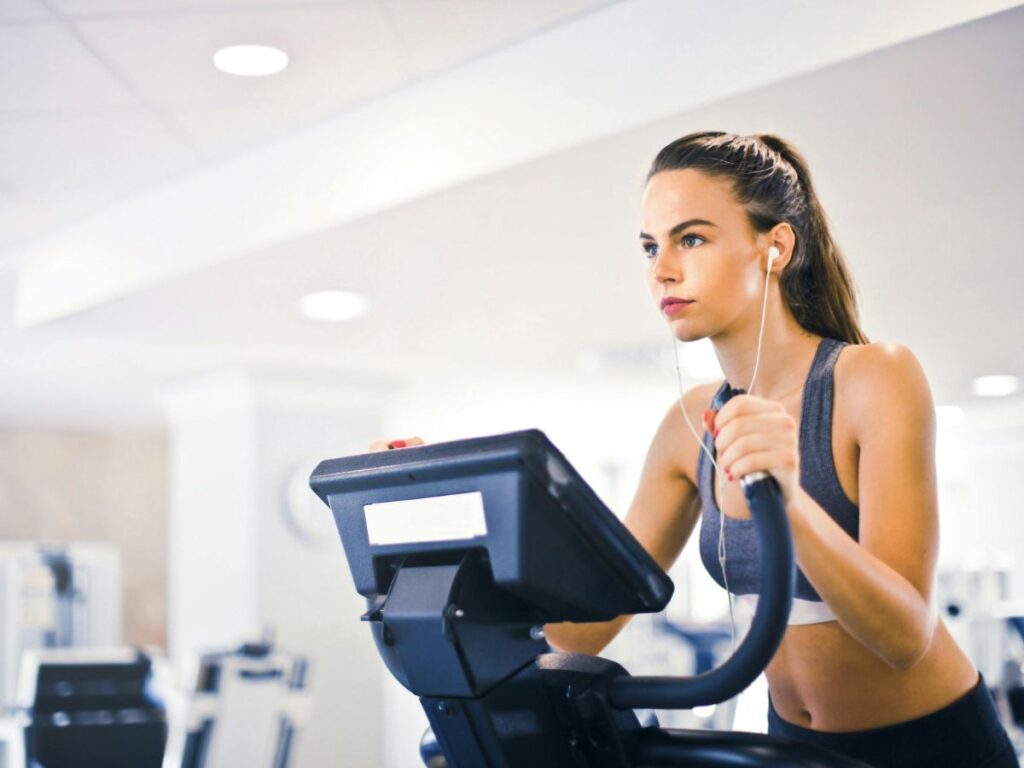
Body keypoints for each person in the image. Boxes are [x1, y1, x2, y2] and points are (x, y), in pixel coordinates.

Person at [371, 131, 1019, 768]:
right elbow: (590, 625)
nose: (663, 269)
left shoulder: (872, 377)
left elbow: (906, 637)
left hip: (934, 743)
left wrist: (788, 499)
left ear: (775, 247)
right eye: (651, 246)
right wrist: (429, 538)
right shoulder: (689, 426)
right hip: (792, 747)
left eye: (693, 238)